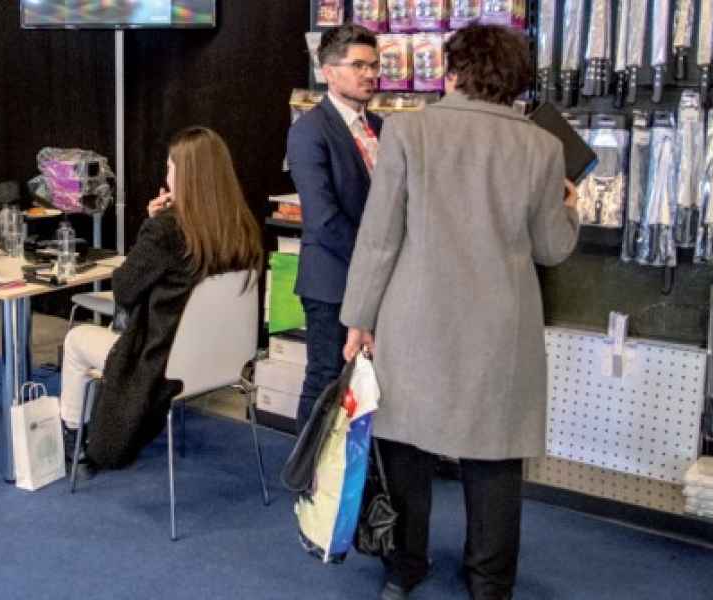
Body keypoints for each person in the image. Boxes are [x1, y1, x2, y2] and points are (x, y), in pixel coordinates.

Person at [338, 26, 580, 600]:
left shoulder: (407, 131)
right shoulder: (542, 148)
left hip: (414, 317)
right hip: (500, 327)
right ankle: (489, 583)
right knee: (495, 455)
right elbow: (552, 248)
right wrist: (571, 207)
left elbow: (379, 238)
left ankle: (403, 568)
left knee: (404, 447)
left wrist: (358, 319)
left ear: (452, 72)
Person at [59, 126, 263, 471]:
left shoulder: (166, 230)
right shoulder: (241, 228)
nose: (166, 176)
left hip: (161, 363)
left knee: (76, 340)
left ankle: (73, 438)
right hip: (219, 358)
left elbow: (124, 290)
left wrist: (150, 225)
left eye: (170, 167)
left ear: (187, 175)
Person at [286, 23, 383, 430]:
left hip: (375, 279)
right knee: (326, 382)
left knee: (368, 384)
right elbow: (323, 219)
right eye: (358, 65)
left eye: (374, 65)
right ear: (329, 71)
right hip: (332, 280)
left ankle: (356, 468)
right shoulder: (309, 130)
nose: (369, 74)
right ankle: (309, 468)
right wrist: (374, 262)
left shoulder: (380, 126)